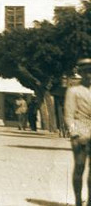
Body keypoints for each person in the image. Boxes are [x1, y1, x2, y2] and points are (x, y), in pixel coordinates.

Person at [65, 58, 91, 206]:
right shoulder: (73, 91)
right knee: (80, 167)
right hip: (80, 131)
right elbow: (69, 114)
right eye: (86, 72)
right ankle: (77, 201)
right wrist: (74, 133)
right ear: (81, 73)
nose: (89, 75)